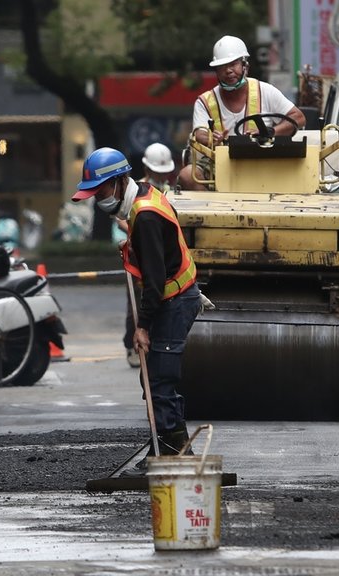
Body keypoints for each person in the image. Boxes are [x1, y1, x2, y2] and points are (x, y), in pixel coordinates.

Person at [72, 147, 202, 472]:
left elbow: (155, 283)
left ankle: (174, 453)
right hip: (171, 296)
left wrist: (141, 327)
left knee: (159, 379)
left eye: (99, 191)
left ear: (117, 181)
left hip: (176, 298)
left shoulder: (144, 215)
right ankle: (170, 447)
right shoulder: (141, 196)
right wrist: (130, 246)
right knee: (154, 378)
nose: (97, 199)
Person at [177, 35, 306, 190]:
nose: (229, 71)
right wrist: (212, 138)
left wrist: (270, 132)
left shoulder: (265, 91)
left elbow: (298, 118)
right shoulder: (205, 101)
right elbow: (199, 133)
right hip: (220, 167)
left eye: (233, 64)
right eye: (222, 66)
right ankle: (216, 210)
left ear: (245, 66)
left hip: (263, 162)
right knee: (186, 175)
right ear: (217, 71)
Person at [121, 143, 177, 368]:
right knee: (136, 300)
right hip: (138, 253)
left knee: (159, 295)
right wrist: (138, 232)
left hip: (160, 250)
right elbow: (122, 217)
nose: (161, 175)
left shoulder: (170, 190)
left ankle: (154, 339)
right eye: (157, 171)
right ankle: (131, 344)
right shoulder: (136, 189)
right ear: (147, 168)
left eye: (164, 172)